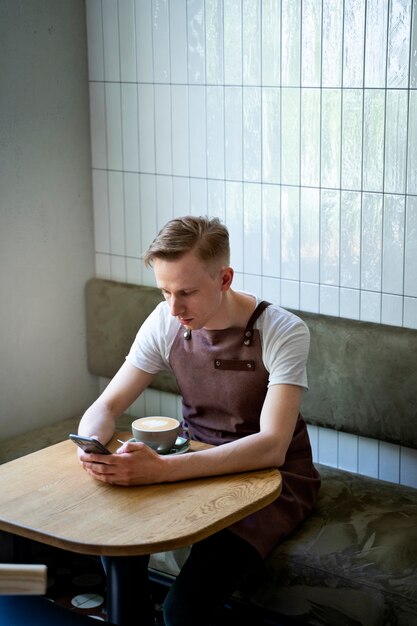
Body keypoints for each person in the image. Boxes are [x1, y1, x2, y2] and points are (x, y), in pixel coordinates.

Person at [77, 215, 321, 626]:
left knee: (183, 609)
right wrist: (92, 447)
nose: (174, 308)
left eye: (186, 292)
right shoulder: (165, 320)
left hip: (272, 481)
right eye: (165, 291)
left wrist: (162, 470)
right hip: (192, 465)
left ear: (224, 278)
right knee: (116, 543)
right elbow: (105, 407)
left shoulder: (282, 330)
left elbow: (272, 445)